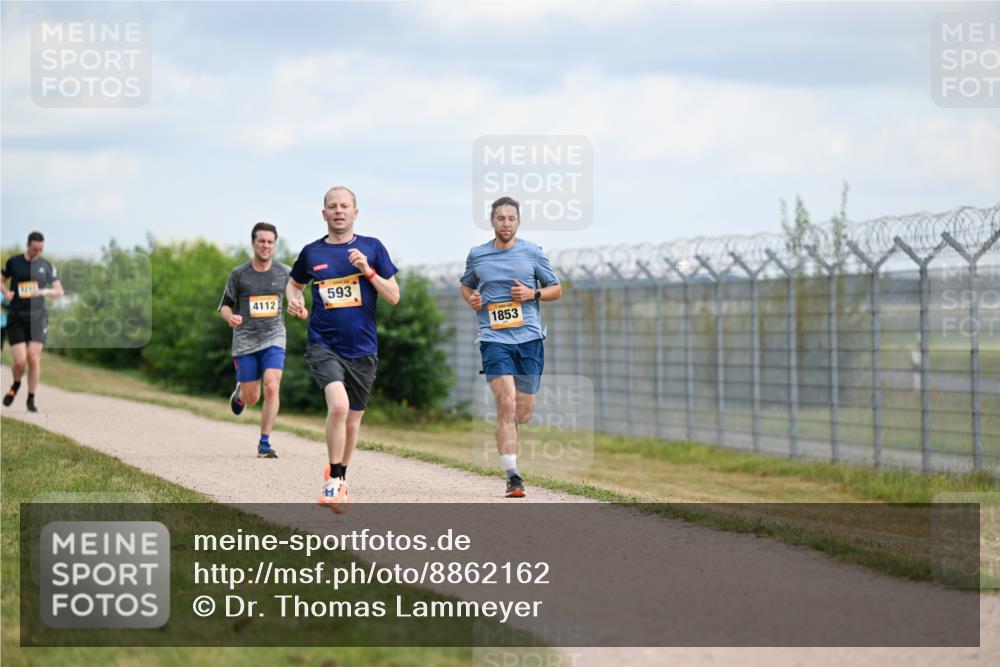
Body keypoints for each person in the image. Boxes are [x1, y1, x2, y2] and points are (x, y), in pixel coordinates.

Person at [286, 186, 400, 512]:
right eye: (332, 206)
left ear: (355, 212)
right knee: (338, 406)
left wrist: (368, 271)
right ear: (324, 213)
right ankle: (334, 480)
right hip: (324, 344)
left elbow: (393, 295)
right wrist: (295, 301)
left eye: (344, 206)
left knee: (352, 422)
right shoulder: (312, 253)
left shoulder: (372, 248)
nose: (339, 211)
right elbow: (294, 285)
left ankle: (341, 476)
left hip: (363, 348)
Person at [459, 196, 562, 497]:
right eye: (500, 218)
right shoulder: (477, 255)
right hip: (493, 337)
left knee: (523, 412)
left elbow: (557, 290)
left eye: (511, 218)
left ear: (518, 221)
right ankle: (513, 476)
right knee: (505, 403)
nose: (505, 223)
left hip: (529, 339)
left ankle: (510, 439)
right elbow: (466, 285)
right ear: (492, 221)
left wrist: (533, 294)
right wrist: (472, 299)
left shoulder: (532, 252)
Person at [219, 222, 294, 458]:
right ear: (253, 243)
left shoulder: (285, 272)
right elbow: (224, 306)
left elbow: (296, 296)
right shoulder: (239, 274)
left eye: (270, 242)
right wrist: (230, 318)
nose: (266, 245)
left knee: (272, 384)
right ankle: (241, 393)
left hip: (274, 335)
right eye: (261, 241)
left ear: (274, 245)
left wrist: (299, 308)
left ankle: (264, 442)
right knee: (252, 398)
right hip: (245, 340)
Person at [2, 231, 64, 412]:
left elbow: (59, 291)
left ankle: (31, 398)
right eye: (35, 248)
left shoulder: (47, 266)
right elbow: (1, 280)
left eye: (41, 249)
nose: (38, 252)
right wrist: (6, 292)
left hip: (38, 319)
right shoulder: (14, 262)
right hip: (16, 317)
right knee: (20, 361)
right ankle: (15, 384)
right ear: (28, 245)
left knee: (34, 358)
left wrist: (44, 292)